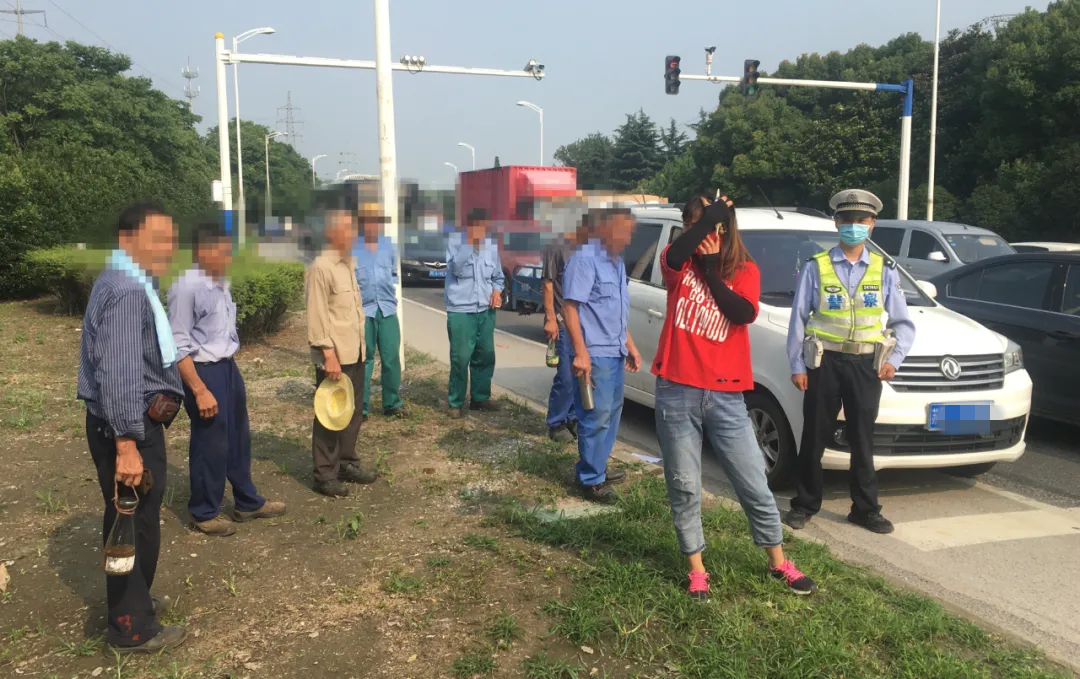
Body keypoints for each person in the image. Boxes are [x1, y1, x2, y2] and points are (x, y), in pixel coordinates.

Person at [652, 194, 817, 601]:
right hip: (677, 389)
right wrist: (703, 226)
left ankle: (778, 562)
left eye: (713, 227)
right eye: (695, 225)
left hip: (726, 394)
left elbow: (742, 313)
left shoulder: (744, 270)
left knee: (754, 481)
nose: (704, 234)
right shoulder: (678, 265)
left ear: (727, 230)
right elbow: (675, 255)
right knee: (684, 484)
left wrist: (712, 270)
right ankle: (697, 569)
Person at [77, 203, 186, 653]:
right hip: (126, 428)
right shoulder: (126, 289)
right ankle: (130, 628)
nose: (168, 248)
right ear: (127, 239)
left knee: (137, 518)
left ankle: (136, 601)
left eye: (171, 239)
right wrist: (127, 443)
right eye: (157, 239)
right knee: (132, 523)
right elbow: (119, 373)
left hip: (130, 423)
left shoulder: (130, 278)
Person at [783, 189, 915, 535]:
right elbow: (798, 320)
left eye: (861, 220)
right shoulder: (817, 267)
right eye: (847, 220)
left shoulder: (884, 270)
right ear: (836, 223)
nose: (854, 226)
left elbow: (903, 322)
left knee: (862, 438)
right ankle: (804, 505)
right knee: (814, 436)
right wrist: (797, 366)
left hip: (866, 365)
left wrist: (895, 360)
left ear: (872, 225)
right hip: (824, 362)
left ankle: (865, 510)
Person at [168, 223, 286, 537]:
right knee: (210, 442)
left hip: (227, 367)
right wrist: (198, 389)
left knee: (238, 436)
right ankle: (204, 511)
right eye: (221, 250)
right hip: (203, 371)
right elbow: (177, 344)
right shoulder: (186, 287)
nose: (228, 256)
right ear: (201, 251)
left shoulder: (222, 281)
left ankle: (247, 501)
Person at [563, 207, 643, 503]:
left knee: (611, 413)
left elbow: (614, 312)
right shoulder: (585, 259)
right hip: (594, 353)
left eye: (630, 233)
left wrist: (630, 345)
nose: (627, 238)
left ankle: (597, 467)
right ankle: (590, 479)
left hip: (614, 351)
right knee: (595, 416)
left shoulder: (616, 263)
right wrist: (580, 353)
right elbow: (570, 308)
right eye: (622, 231)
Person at [307, 197, 377, 498]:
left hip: (355, 350)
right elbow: (317, 316)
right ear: (331, 232)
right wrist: (328, 355)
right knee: (329, 415)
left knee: (352, 412)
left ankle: (347, 462)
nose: (353, 234)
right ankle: (324, 474)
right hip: (335, 355)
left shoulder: (348, 264)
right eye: (347, 229)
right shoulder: (321, 267)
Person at [444, 207, 505, 417]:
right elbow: (456, 269)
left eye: (484, 227)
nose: (481, 231)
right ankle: (455, 402)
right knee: (460, 358)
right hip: (461, 310)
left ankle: (480, 398)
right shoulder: (455, 241)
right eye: (476, 226)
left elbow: (498, 277)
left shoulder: (491, 245)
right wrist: (470, 242)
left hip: (485, 310)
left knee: (485, 355)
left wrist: (497, 291)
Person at [354, 206, 404, 419]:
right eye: (368, 221)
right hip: (363, 312)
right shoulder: (352, 248)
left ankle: (392, 403)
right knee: (364, 361)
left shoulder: (388, 246)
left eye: (376, 221)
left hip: (387, 309)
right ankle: (361, 408)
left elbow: (393, 273)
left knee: (391, 358)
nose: (372, 225)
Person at [541, 217, 585, 442]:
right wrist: (550, 318)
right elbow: (548, 283)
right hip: (562, 320)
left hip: (584, 321)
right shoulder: (556, 245)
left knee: (581, 375)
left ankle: (573, 418)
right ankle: (556, 422)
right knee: (566, 377)